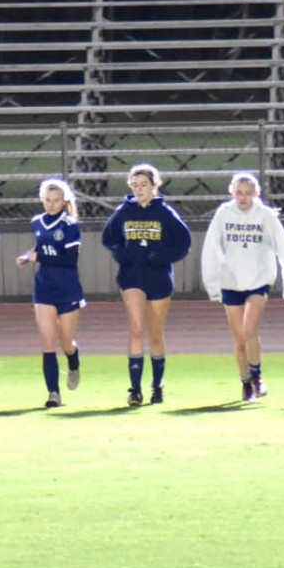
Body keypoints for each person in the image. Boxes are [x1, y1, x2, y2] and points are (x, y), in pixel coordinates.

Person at [199, 171, 284, 401]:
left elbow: (283, 249)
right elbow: (211, 248)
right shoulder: (223, 214)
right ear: (232, 193)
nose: (243, 198)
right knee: (240, 339)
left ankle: (257, 377)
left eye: (248, 193)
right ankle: (245, 383)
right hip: (231, 282)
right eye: (239, 193)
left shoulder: (265, 216)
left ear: (256, 194)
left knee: (249, 329)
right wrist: (212, 284)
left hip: (258, 280)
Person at [100, 163, 193, 406]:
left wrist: (160, 257)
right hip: (132, 276)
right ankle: (135, 389)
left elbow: (183, 242)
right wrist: (121, 254)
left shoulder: (165, 213)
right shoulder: (125, 211)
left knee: (155, 333)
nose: (139, 189)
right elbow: (109, 238)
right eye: (135, 185)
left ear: (154, 186)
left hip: (159, 277)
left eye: (144, 185)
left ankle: (157, 384)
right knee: (136, 328)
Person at [15, 178, 86, 408]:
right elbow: (39, 248)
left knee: (66, 341)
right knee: (48, 342)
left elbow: (70, 259)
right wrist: (27, 257)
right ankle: (53, 393)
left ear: (64, 201)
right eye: (47, 200)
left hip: (67, 287)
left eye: (56, 200)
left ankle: (73, 360)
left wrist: (40, 257)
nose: (51, 204)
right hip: (44, 287)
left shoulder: (70, 224)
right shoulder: (37, 222)